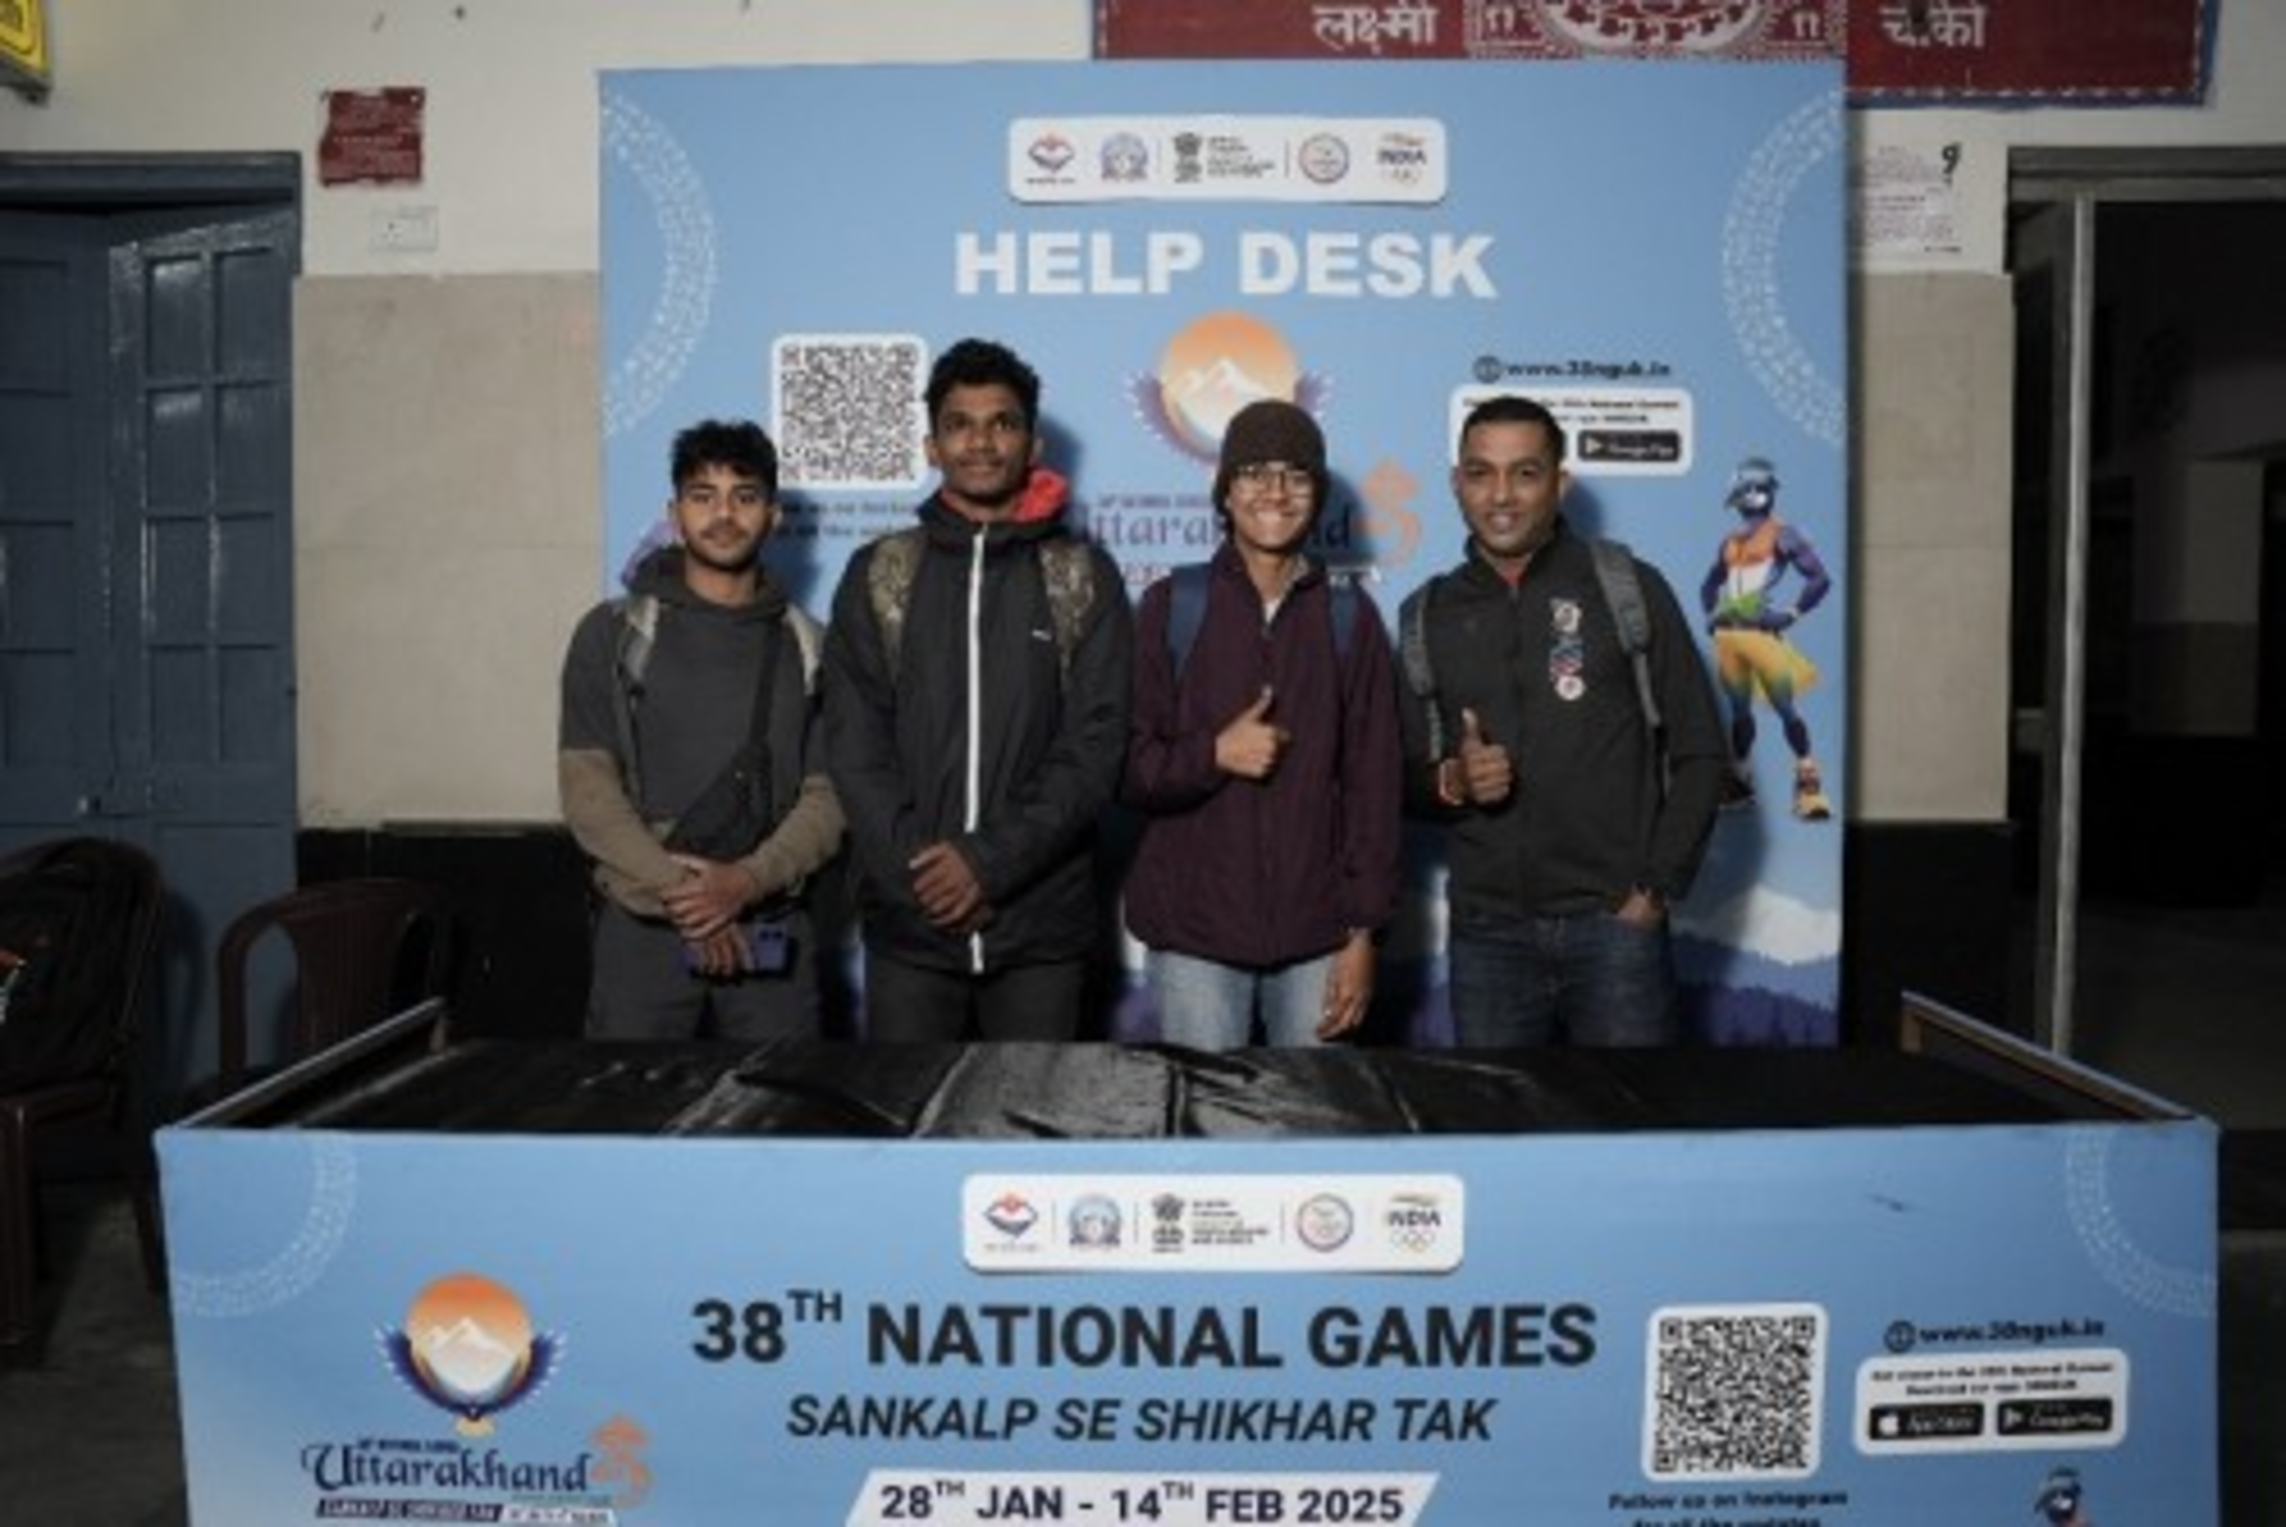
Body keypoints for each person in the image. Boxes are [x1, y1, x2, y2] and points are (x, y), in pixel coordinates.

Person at [822, 338, 1133, 1041]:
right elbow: (855, 747)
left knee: (1032, 1114)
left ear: (1033, 444)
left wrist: (987, 866)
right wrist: (929, 882)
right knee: (905, 1110)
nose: (982, 442)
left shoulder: (1082, 574)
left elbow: (1095, 749)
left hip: (1037, 929)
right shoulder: (879, 572)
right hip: (911, 928)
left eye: (1002, 423)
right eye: (960, 424)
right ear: (931, 447)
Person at [1399, 394, 1726, 1046]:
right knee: (1497, 1112)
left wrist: (1651, 893)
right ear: (1456, 482)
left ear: (1560, 482)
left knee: (1629, 1112)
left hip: (1615, 927)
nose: (1501, 495)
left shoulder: (1627, 588)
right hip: (1487, 937)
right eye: (1481, 473)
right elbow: (1405, 779)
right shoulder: (1426, 613)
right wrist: (1456, 781)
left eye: (1525, 473)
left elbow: (1701, 753)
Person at [1121, 399, 1401, 1049]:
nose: (1275, 491)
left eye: (1296, 475)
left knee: (1310, 1111)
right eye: (1253, 472)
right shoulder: (1171, 605)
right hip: (1194, 936)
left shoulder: (1349, 618)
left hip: (1320, 936)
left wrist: (1364, 932)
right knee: (1207, 1110)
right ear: (1225, 491)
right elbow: (1126, 767)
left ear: (1317, 494)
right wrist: (1214, 753)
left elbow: (1374, 787)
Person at [558, 418, 844, 1039]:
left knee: (781, 1098)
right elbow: (588, 791)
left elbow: (828, 798)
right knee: (629, 1097)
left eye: (744, 496)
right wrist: (694, 901)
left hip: (769, 926)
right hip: (642, 931)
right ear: (674, 513)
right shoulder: (611, 634)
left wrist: (744, 883)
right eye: (702, 495)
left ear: (773, 515)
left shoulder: (812, 648)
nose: (724, 515)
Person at [1700, 455, 1835, 820]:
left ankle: (1809, 787)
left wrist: (1790, 614)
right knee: (1740, 713)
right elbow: (1709, 584)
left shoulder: (1784, 534)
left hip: (1760, 634)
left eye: (1758, 488)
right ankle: (1741, 781)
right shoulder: (1730, 541)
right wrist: (1712, 616)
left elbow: (1820, 579)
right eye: (1747, 489)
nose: (1752, 495)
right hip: (1730, 638)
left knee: (1785, 709)